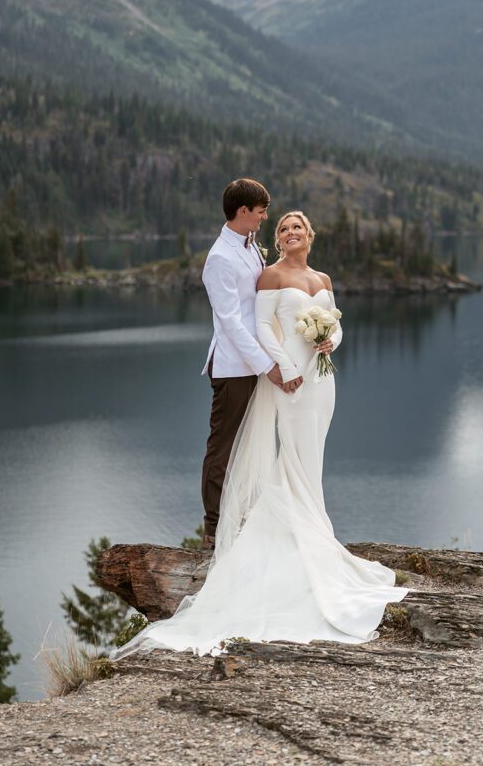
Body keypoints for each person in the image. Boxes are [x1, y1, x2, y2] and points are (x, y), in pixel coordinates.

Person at [111, 207, 408, 660]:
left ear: (310, 235)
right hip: (289, 377)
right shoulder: (268, 277)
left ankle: (315, 533)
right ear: (280, 238)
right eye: (283, 228)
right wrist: (283, 368)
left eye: (296, 227)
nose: (289, 232)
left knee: (313, 457)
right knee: (291, 454)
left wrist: (332, 342)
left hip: (322, 379)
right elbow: (262, 329)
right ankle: (303, 543)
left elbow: (338, 324)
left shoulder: (323, 279)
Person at [198, 178, 292, 550]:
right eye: (261, 211)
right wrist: (266, 364)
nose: (265, 217)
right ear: (243, 211)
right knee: (223, 446)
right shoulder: (219, 258)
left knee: (249, 444)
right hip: (235, 367)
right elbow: (231, 322)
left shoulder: (249, 246)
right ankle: (213, 526)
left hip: (253, 364)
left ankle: (245, 516)